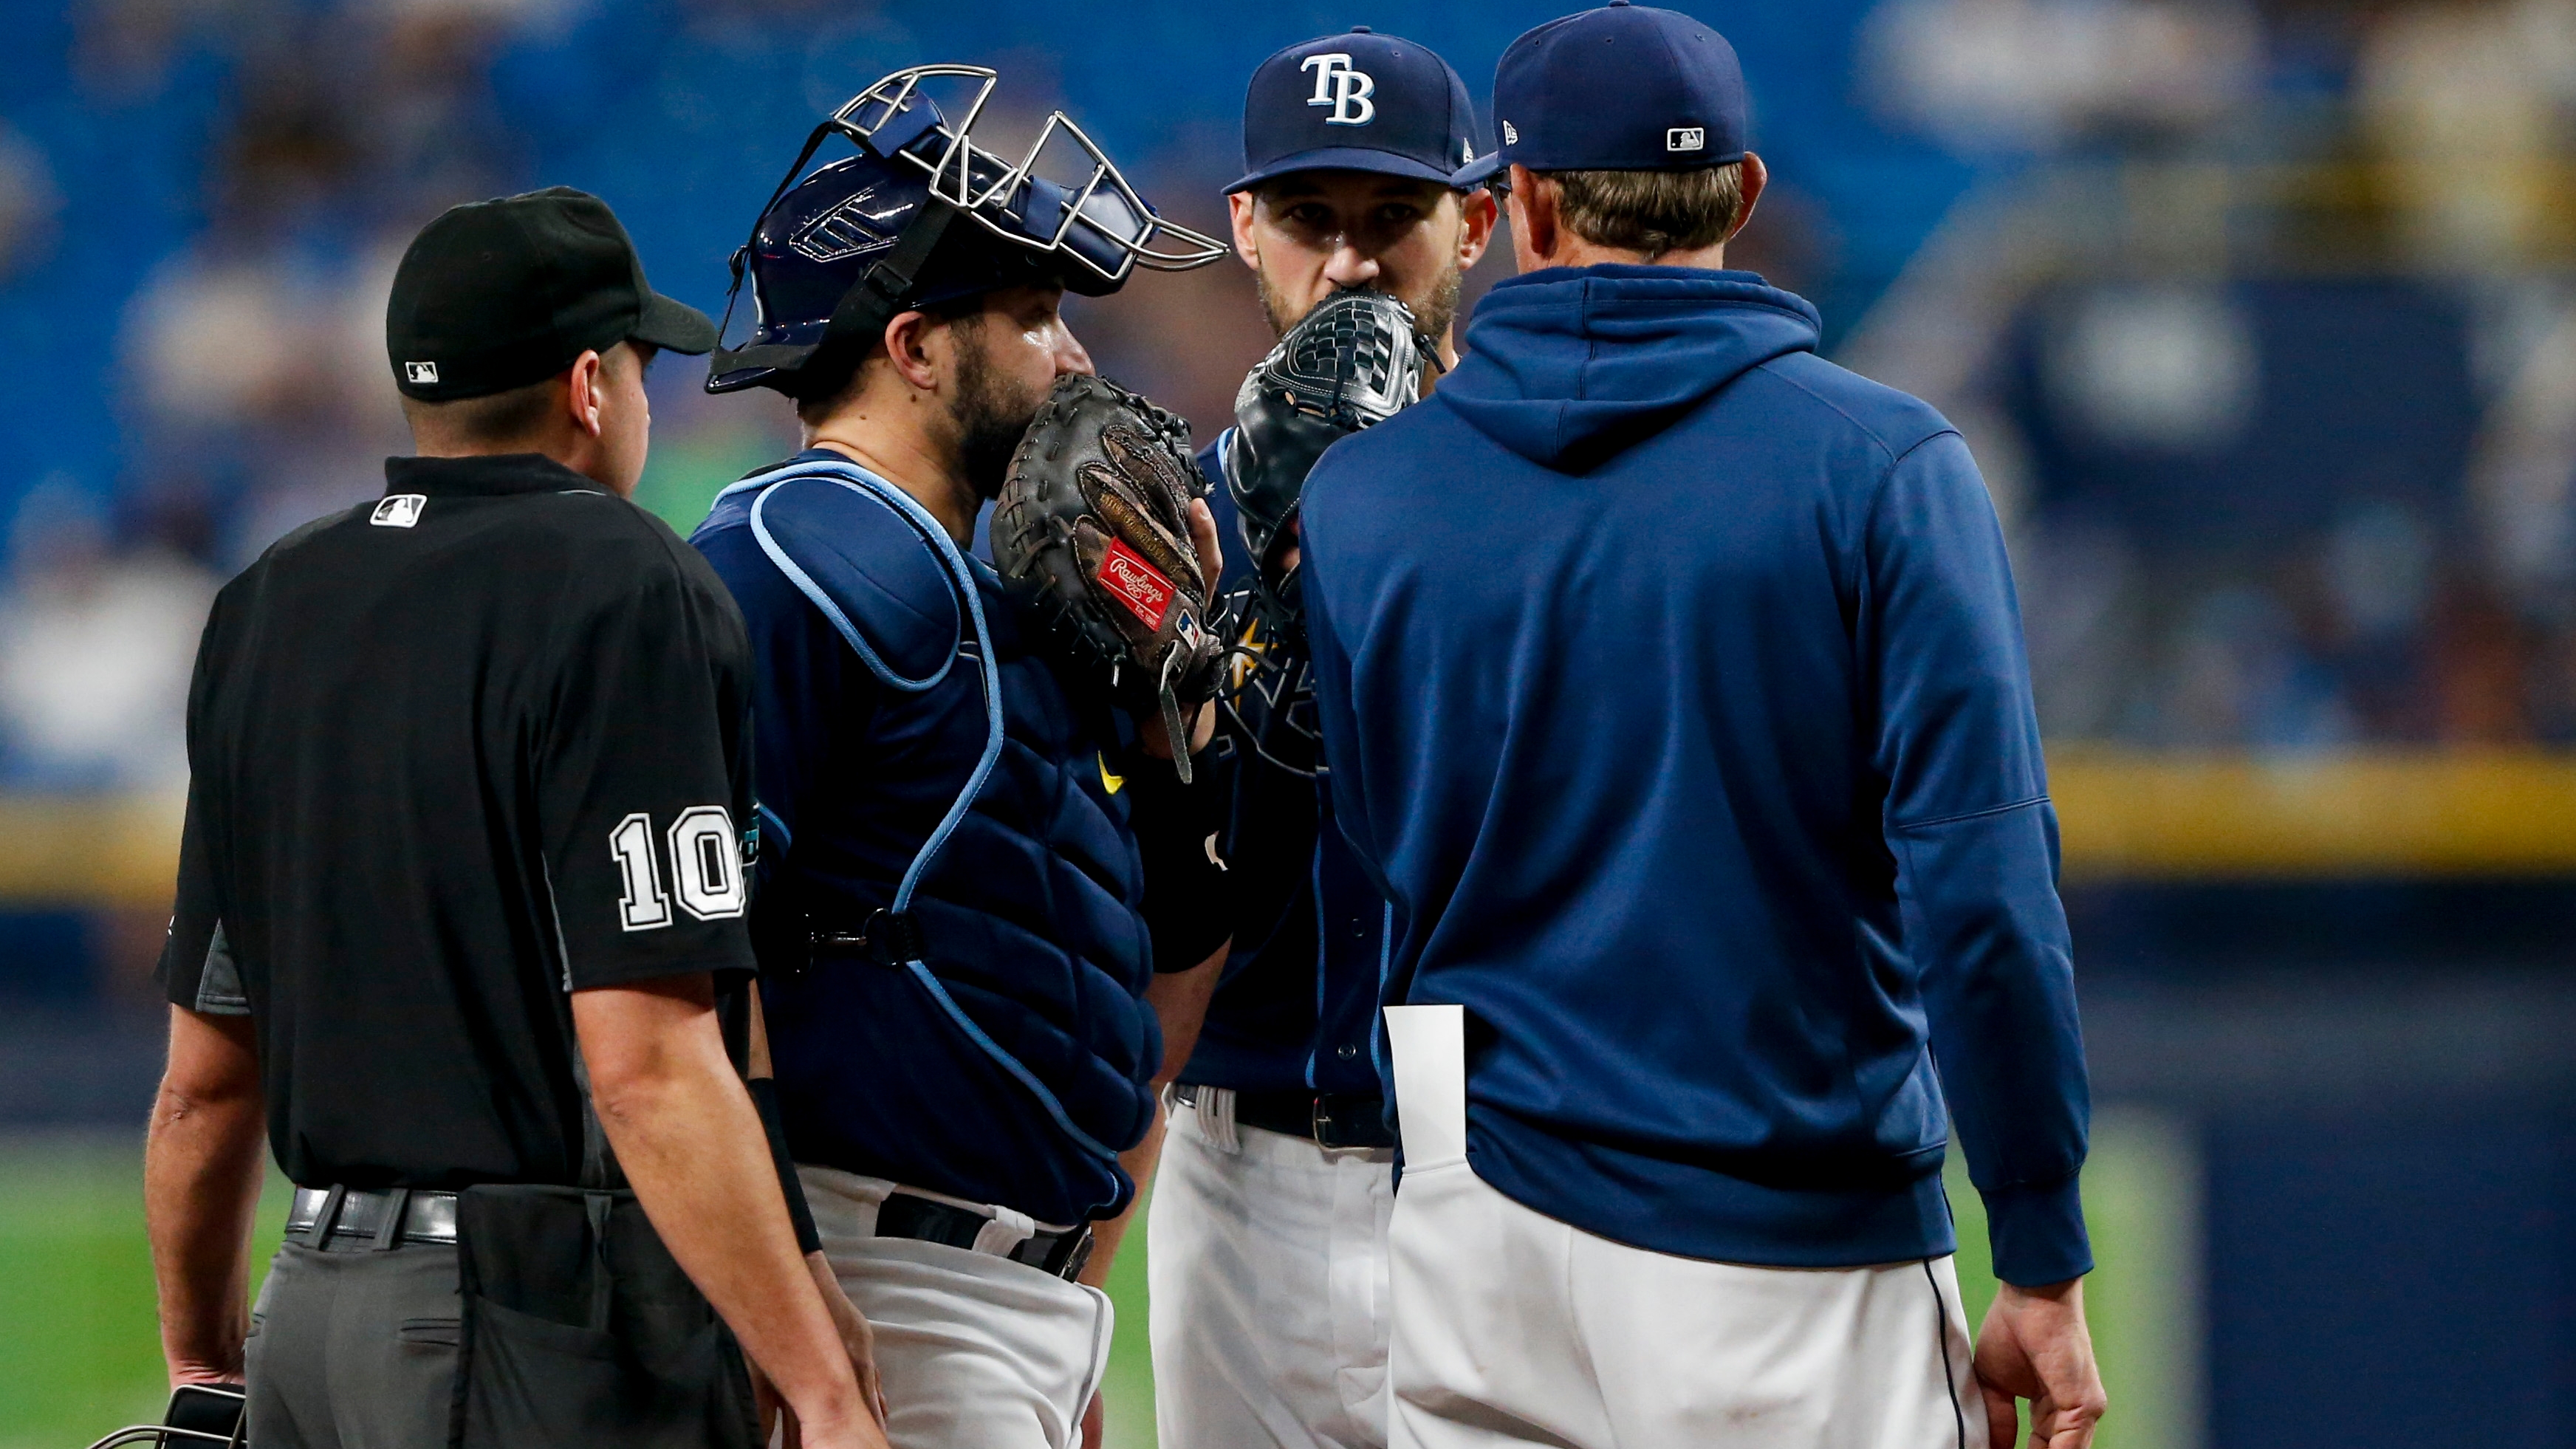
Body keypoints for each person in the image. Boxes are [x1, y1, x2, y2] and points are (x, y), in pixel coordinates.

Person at [1297, 8, 2111, 1449]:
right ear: (1741, 198)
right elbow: (1980, 899)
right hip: (1783, 1243)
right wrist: (2038, 1245)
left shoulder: (1360, 498)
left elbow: (1376, 869)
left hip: (1472, 1242)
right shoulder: (1885, 470)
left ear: (1523, 205)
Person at [144, 188, 888, 1449]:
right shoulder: (625, 583)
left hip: (309, 1316)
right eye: (646, 367)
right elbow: (650, 1065)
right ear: (589, 384)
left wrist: (209, 1364)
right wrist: (819, 1384)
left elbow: (204, 1087)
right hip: (529, 1327)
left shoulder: (267, 601)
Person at [687, 69, 1229, 1449]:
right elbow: (685, 982)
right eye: (1037, 318)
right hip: (877, 1284)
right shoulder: (795, 561)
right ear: (916, 346)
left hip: (1021, 1304)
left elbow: (1130, 964)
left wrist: (1177, 732)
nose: (1078, 360)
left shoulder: (1004, 598)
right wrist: (792, 1314)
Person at [1146, 29, 1493, 1449]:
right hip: (1235, 1165)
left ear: (1475, 219)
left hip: (1497, 1158)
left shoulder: (1545, 512)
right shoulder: (1158, 521)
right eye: (1308, 220)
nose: (1348, 263)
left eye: (1390, 218)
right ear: (1245, 231)